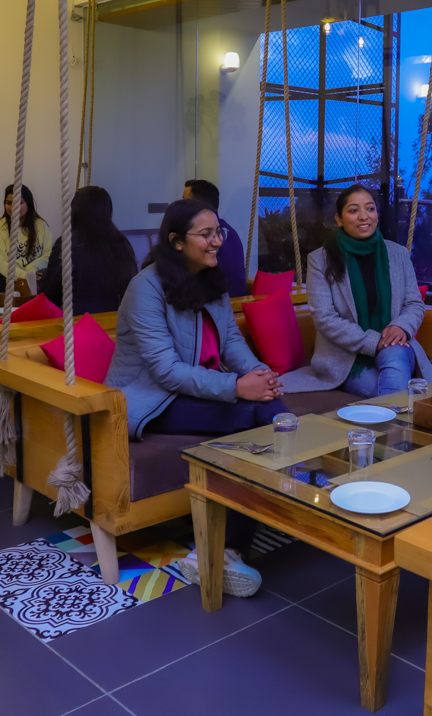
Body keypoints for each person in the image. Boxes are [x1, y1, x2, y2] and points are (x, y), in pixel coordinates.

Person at [105, 197, 288, 597]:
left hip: (195, 388)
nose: (217, 241)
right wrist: (237, 388)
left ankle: (230, 544)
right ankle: (222, 548)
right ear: (176, 241)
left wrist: (261, 375)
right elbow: (166, 371)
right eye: (206, 234)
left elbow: (232, 342)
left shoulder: (210, 280)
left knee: (268, 408)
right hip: (150, 400)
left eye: (218, 232)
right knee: (250, 419)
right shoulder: (145, 288)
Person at [281, 184, 432, 398]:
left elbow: (414, 303)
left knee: (394, 357)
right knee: (390, 389)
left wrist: (401, 327)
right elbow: (325, 318)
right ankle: (406, 414)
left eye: (370, 209)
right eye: (354, 210)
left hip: (397, 348)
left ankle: (398, 415)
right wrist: (374, 342)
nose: (364, 216)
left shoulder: (398, 254)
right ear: (339, 219)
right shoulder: (320, 260)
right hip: (347, 359)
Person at [41, 186, 137, 315]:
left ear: (75, 211)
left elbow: (50, 293)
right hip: (117, 319)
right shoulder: (122, 243)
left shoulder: (67, 243)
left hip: (79, 321)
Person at [182, 179, 247, 297]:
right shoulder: (227, 229)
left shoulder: (206, 235)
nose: (180, 206)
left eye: (185, 201)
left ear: (198, 204)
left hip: (221, 302)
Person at [0, 184, 52, 294]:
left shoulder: (41, 225)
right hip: (7, 276)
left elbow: (48, 254)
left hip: (35, 272)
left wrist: (31, 270)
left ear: (28, 204)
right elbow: (0, 262)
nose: (13, 207)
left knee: (48, 278)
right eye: (9, 203)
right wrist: (24, 275)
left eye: (19, 202)